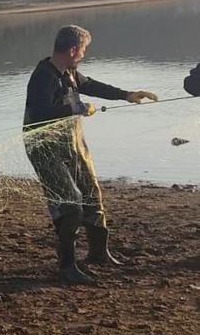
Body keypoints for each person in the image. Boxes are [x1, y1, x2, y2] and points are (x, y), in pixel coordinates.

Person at [23, 25, 158, 285]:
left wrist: (126, 95)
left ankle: (98, 254)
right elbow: (40, 112)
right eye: (83, 50)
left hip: (71, 144)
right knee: (70, 204)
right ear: (72, 49)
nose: (84, 54)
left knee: (91, 193)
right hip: (43, 149)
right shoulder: (43, 75)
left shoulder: (69, 71)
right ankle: (67, 266)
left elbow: (91, 85)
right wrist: (78, 106)